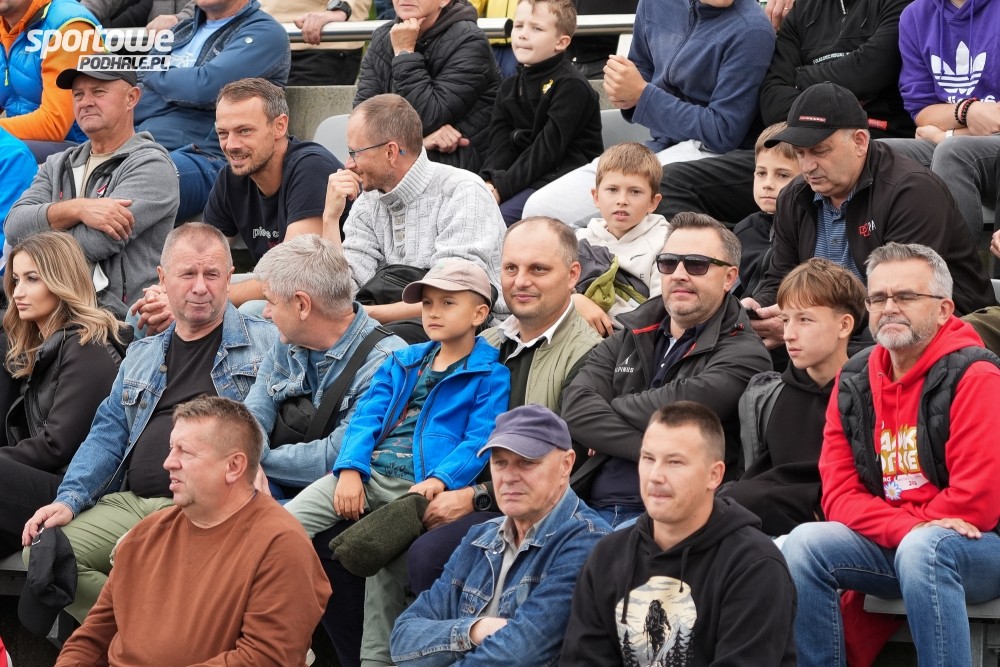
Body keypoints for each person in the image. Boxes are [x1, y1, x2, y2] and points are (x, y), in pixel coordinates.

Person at [21, 222, 277, 624]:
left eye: (212, 274)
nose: (200, 287)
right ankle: (159, 633)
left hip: (203, 505)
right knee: (45, 551)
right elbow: (106, 436)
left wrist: (254, 461)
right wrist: (68, 499)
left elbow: (263, 416)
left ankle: (156, 638)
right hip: (130, 500)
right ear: (162, 279)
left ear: (230, 279)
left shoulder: (267, 343)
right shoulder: (142, 353)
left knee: (138, 556)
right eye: (187, 274)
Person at [782, 242, 1000, 667]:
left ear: (943, 309)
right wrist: (907, 526)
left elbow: (977, 505)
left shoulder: (977, 376)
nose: (889, 308)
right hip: (903, 541)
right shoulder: (854, 379)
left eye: (906, 296)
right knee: (804, 544)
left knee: (925, 548)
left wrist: (911, 531)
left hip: (980, 548)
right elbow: (838, 496)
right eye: (878, 297)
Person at [286, 257, 510, 667]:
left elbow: (478, 440)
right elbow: (366, 418)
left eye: (448, 303)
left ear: (479, 314)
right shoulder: (403, 361)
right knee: (283, 527)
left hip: (416, 489)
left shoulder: (490, 375)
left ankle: (375, 661)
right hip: (368, 474)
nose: (433, 312)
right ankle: (286, 633)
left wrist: (440, 480)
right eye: (428, 304)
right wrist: (351, 469)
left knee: (383, 573)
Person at [54, 396, 331, 666]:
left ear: (234, 466)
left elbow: (265, 658)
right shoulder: (144, 535)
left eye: (184, 451)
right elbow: (91, 639)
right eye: (171, 449)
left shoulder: (281, 545)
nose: (168, 462)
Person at [406, 215, 602, 593]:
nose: (520, 281)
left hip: (524, 508)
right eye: (511, 268)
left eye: (538, 269)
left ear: (572, 274)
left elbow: (572, 461)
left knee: (427, 555)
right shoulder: (484, 343)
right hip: (446, 481)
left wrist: (477, 497)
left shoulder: (590, 353)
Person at [743, 82, 996, 351]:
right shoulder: (793, 195)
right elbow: (780, 277)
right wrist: (760, 308)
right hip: (833, 329)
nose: (807, 166)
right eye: (799, 153)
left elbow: (901, 300)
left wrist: (809, 324)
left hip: (929, 331)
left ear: (860, 142)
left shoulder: (912, 191)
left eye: (819, 151)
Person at [561, 213, 771, 527]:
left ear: (729, 278)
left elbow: (678, 420)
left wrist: (607, 411)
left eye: (697, 264)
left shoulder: (746, 354)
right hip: (584, 504)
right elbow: (575, 409)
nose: (679, 275)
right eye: (669, 263)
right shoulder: (632, 332)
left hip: (669, 519)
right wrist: (648, 446)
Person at [561, 401, 797, 665]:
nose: (655, 476)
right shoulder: (607, 556)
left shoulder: (755, 566)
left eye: (674, 462)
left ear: (714, 475)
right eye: (648, 458)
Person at [658, 0, 916, 225]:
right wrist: (839, 92)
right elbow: (772, 103)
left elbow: (868, 72)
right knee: (669, 183)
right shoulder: (803, 8)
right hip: (792, 146)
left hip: (865, 144)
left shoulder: (902, 4)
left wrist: (799, 77)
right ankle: (738, 253)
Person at [391, 404, 611, 665]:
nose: (508, 477)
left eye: (526, 462)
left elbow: (520, 654)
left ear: (566, 464)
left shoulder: (589, 542)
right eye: (500, 462)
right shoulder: (479, 537)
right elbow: (402, 640)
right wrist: (476, 630)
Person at [521, 0, 775, 225]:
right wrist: (624, 92)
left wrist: (642, 96)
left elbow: (723, 132)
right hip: (658, 144)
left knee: (565, 219)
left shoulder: (753, 29)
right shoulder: (654, 3)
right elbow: (641, 67)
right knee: (539, 209)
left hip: (710, 153)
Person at [129, 77, 341, 332]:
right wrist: (167, 292)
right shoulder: (232, 176)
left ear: (279, 126)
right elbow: (199, 252)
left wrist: (196, 299)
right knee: (144, 313)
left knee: (253, 312)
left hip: (322, 300)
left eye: (244, 131)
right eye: (223, 133)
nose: (231, 145)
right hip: (273, 291)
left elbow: (292, 275)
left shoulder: (311, 168)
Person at [321, 93, 507, 332]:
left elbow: (452, 299)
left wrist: (359, 316)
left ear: (390, 152)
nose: (348, 164)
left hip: (471, 332)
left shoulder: (462, 191)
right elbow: (338, 295)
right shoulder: (368, 200)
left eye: (355, 152)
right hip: (390, 327)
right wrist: (330, 218)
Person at [5, 69, 178, 320]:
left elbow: (96, 242)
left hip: (117, 322)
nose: (85, 102)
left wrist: (41, 227)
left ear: (131, 98)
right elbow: (14, 226)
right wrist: (78, 209)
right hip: (55, 315)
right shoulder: (57, 164)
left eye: (98, 92)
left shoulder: (152, 165)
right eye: (78, 94)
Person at [247, 234, 406, 494]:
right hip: (274, 479)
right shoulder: (288, 340)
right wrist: (247, 457)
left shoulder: (385, 361)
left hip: (336, 499)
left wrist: (248, 462)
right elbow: (253, 413)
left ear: (302, 305)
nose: (265, 312)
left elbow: (333, 457)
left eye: (271, 301)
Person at [0, 233, 126, 554]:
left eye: (32, 279)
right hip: (43, 483)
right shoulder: (40, 347)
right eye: (15, 280)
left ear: (61, 281)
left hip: (76, 493)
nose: (18, 292)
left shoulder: (87, 345)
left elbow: (57, 446)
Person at [722, 258, 865, 537]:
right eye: (786, 320)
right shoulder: (771, 395)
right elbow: (755, 475)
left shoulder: (867, 395)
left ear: (844, 325)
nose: (788, 335)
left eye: (805, 320)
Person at [133, 0, 290, 223]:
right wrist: (183, 89)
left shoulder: (265, 32)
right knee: (84, 169)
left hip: (208, 156)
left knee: (146, 178)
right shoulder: (180, 30)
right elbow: (136, 97)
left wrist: (155, 76)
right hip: (142, 144)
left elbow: (205, 87)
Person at [879, 0, 1000, 239]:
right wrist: (966, 111)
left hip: (970, 148)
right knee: (878, 154)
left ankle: (959, 262)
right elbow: (922, 111)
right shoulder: (915, 15)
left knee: (953, 152)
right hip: (952, 139)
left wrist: (946, 135)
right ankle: (888, 262)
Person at [479, 0, 603, 226]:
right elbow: (498, 147)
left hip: (564, 180)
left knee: (496, 220)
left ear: (561, 42)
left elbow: (545, 152)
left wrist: (502, 189)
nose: (523, 34)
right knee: (473, 208)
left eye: (536, 28)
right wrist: (489, 183)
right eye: (518, 26)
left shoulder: (571, 86)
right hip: (525, 179)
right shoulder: (508, 87)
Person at [354, 0, 500, 172]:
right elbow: (362, 122)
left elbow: (427, 118)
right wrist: (422, 143)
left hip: (455, 166)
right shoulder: (382, 37)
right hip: (394, 161)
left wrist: (404, 54)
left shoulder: (470, 41)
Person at [573, 142, 669, 335]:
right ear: (596, 197)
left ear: (653, 202)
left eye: (635, 192)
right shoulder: (579, 240)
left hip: (633, 337)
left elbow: (661, 312)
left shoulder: (666, 243)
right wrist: (574, 300)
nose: (622, 200)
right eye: (612, 190)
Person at [0, 0, 100, 157]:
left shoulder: (70, 26)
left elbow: (54, 124)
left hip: (83, 151)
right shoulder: (3, 27)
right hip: (22, 144)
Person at [731, 122, 801, 298]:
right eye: (761, 173)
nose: (767, 184)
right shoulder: (745, 229)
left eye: (782, 175)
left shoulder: (809, 230)